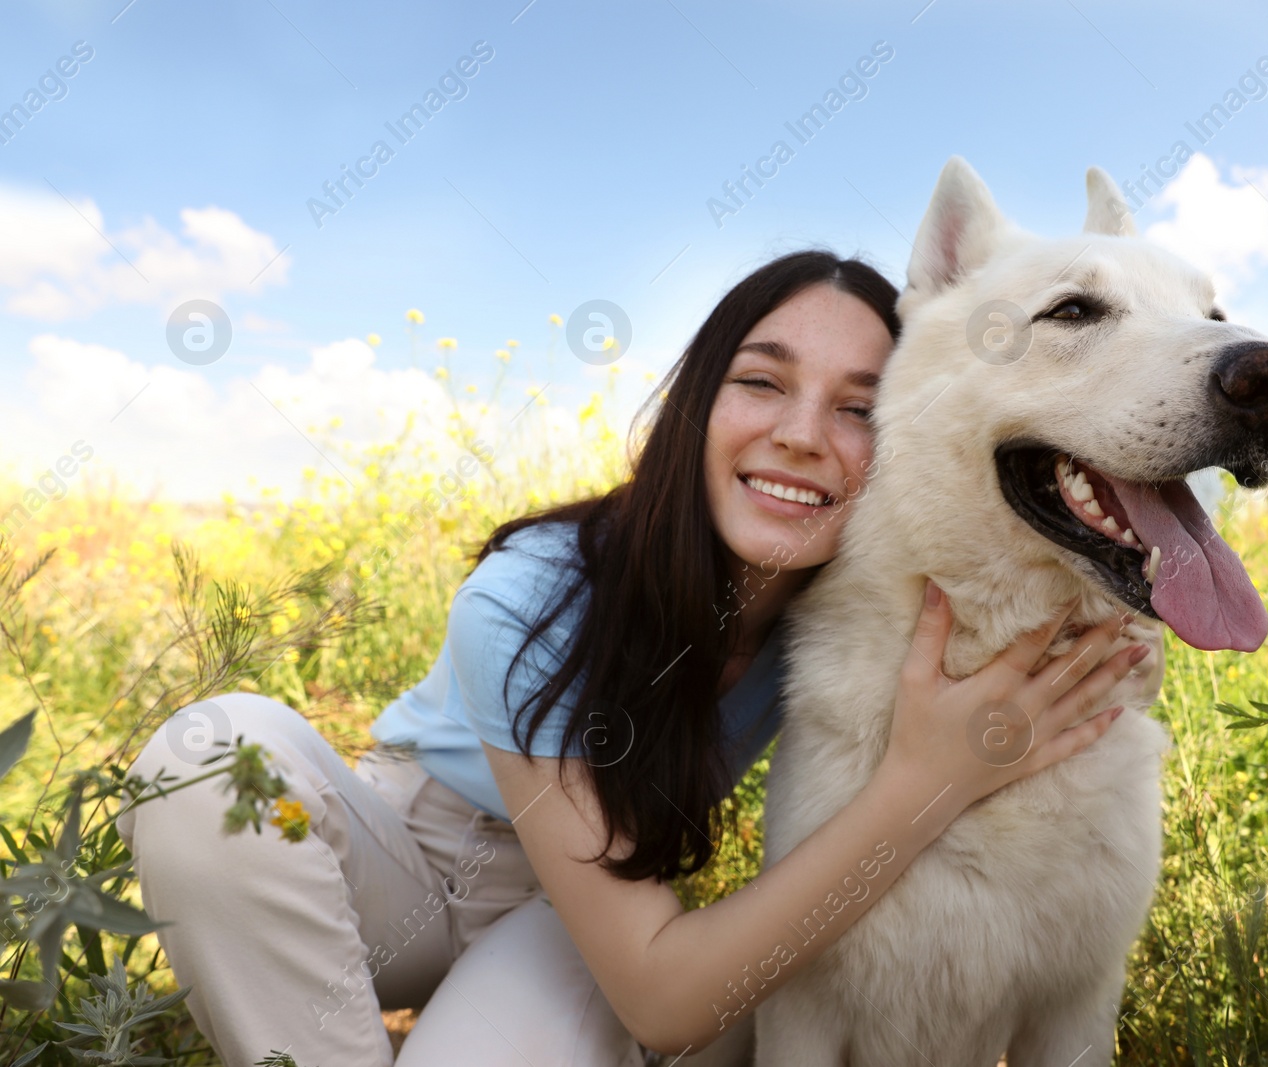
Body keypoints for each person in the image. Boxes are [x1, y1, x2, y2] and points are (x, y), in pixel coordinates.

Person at [115, 250, 1154, 1067]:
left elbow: (1017, 614)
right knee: (210, 753)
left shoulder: (843, 612)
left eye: (855, 406)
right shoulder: (530, 597)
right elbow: (667, 995)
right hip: (404, 866)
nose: (801, 434)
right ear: (695, 403)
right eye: (760, 382)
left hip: (587, 922)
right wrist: (926, 784)